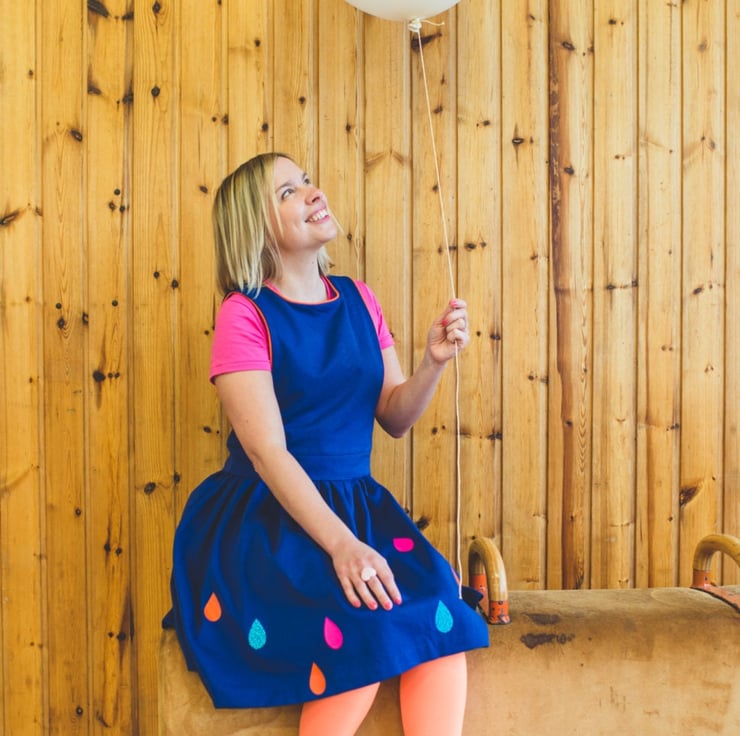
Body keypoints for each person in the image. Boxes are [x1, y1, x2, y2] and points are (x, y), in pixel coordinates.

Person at [163, 152, 489, 735]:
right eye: (288, 192)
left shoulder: (361, 300)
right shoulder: (245, 315)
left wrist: (431, 364)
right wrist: (344, 547)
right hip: (268, 517)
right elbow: (267, 454)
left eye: (308, 180)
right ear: (257, 227)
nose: (312, 192)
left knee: (441, 612)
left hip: (358, 505)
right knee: (358, 624)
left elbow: (394, 416)